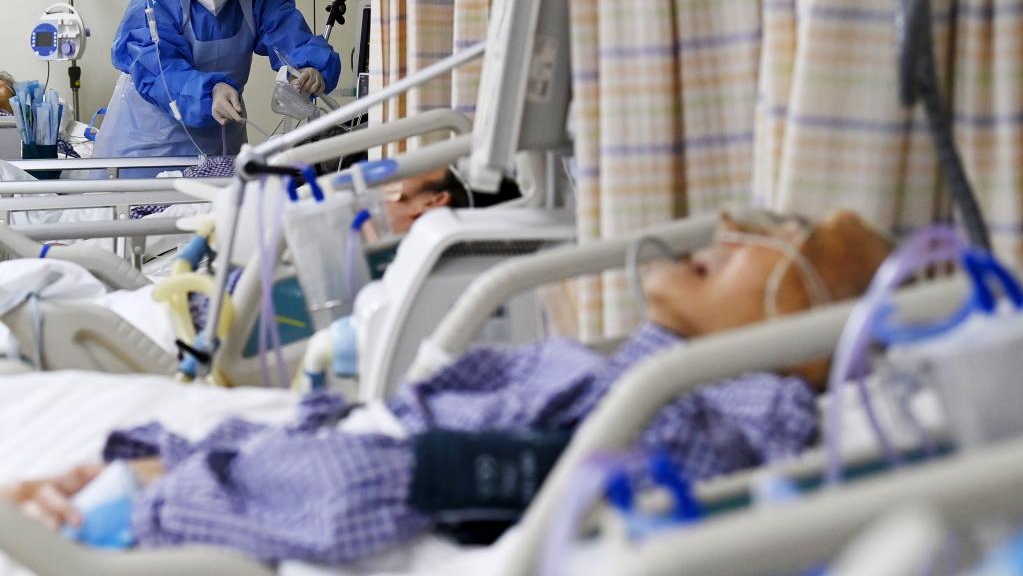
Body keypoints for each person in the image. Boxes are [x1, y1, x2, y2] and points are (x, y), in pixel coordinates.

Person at [1, 209, 893, 564]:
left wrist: (164, 495)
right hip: (267, 473)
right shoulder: (640, 376)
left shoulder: (703, 421)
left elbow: (404, 477)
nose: (734, 221)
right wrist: (165, 458)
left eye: (789, 233)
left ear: (816, 335)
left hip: (263, 514)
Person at [93, 0, 340, 176]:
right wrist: (207, 92)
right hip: (149, 140)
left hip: (221, 132)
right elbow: (155, 67)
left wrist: (308, 69)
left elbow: (289, 35)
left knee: (222, 201)